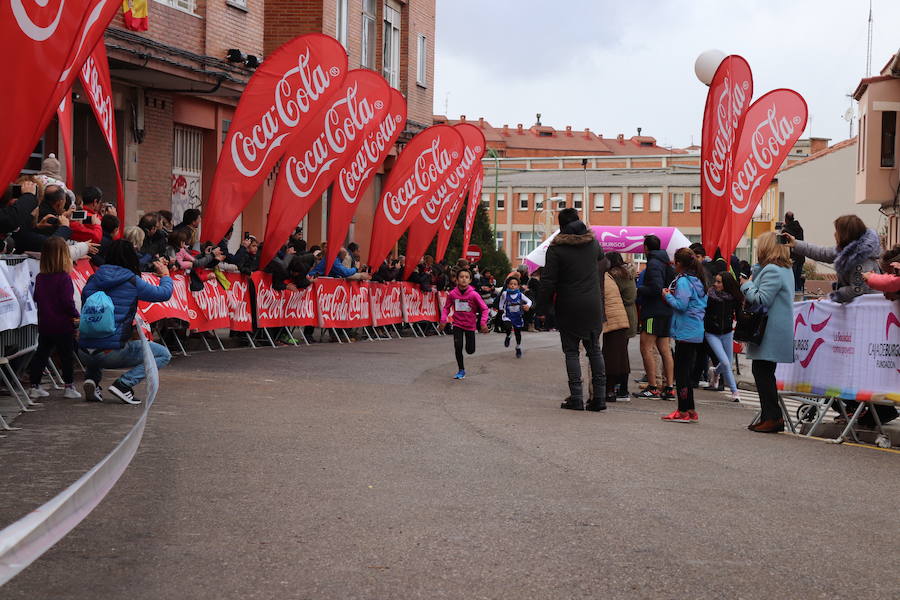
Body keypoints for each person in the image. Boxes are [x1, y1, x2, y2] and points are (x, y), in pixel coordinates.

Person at [78, 240, 174, 404]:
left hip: (84, 352)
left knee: (97, 332)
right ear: (132, 258)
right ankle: (124, 384)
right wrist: (165, 275)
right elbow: (163, 293)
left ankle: (92, 380)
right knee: (163, 354)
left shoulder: (93, 279)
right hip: (111, 353)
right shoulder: (131, 281)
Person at [537, 208, 606, 411]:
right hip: (593, 304)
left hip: (568, 305)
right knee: (594, 350)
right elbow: (602, 257)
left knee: (571, 351)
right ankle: (599, 398)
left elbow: (548, 282)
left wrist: (541, 308)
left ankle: (576, 398)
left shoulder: (557, 249)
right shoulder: (592, 243)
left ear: (561, 226)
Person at [740, 232, 795, 433]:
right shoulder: (783, 269)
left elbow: (762, 298)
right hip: (775, 329)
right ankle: (769, 416)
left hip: (769, 330)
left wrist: (745, 285)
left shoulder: (773, 270)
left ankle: (773, 417)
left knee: (762, 373)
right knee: (764, 372)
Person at [783, 215, 881, 303]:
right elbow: (822, 252)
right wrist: (795, 243)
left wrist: (832, 297)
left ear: (845, 235)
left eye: (837, 231)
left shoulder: (861, 260)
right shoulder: (849, 251)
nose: (835, 234)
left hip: (868, 311)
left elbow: (857, 290)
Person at [28, 237, 81, 400]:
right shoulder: (64, 278)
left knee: (41, 354)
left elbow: (37, 297)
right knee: (67, 355)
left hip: (45, 322)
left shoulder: (40, 278)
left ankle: (34, 385)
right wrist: (75, 315)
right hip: (63, 324)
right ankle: (69, 386)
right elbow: (67, 301)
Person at [661, 248, 708, 423]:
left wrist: (667, 297)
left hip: (685, 330)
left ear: (679, 263)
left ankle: (682, 410)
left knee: (681, 374)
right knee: (686, 372)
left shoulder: (683, 282)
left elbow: (681, 305)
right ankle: (690, 409)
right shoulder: (698, 280)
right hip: (695, 329)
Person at [634, 235, 675, 400]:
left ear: (645, 248)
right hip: (666, 310)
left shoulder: (653, 263)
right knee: (665, 349)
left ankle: (652, 387)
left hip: (653, 311)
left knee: (646, 347)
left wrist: (639, 289)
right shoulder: (667, 263)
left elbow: (656, 288)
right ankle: (669, 387)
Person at [439, 268, 489, 379]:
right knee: (458, 346)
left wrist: (483, 323)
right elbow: (446, 308)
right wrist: (443, 320)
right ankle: (461, 370)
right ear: (456, 280)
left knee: (470, 350)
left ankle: (468, 351)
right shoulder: (452, 294)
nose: (464, 279)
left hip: (470, 325)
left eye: (466, 277)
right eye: (461, 277)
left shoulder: (474, 295)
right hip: (457, 324)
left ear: (470, 280)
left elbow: (484, 309)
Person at [704, 271, 742, 402]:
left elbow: (740, 316)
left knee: (728, 363)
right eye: (716, 281)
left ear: (726, 283)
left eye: (719, 282)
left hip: (727, 332)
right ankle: (734, 391)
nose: (716, 284)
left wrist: (739, 334)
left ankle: (715, 372)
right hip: (711, 333)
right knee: (725, 362)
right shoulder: (710, 295)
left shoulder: (734, 298)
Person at [605, 252, 637, 400]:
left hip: (620, 314)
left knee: (616, 354)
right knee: (622, 353)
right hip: (630, 314)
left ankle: (618, 388)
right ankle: (622, 388)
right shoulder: (627, 273)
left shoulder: (614, 275)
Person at [601, 259, 630, 404]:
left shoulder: (602, 278)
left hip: (612, 321)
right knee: (619, 357)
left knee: (610, 358)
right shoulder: (609, 277)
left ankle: (609, 391)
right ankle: (616, 390)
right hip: (620, 319)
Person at [498, 275, 532, 358]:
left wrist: (527, 306)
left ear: (518, 286)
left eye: (515, 284)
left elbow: (529, 301)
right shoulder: (505, 294)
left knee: (518, 333)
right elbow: (501, 302)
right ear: (508, 285)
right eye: (511, 284)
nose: (512, 285)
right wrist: (500, 309)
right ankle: (508, 335)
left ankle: (518, 347)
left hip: (517, 316)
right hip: (507, 315)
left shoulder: (520, 295)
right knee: (508, 326)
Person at [782, 211, 805, 292]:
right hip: (801, 256)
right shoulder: (800, 228)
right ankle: (799, 292)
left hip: (791, 258)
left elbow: (782, 245)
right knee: (798, 278)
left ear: (786, 219)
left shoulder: (786, 231)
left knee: (792, 280)